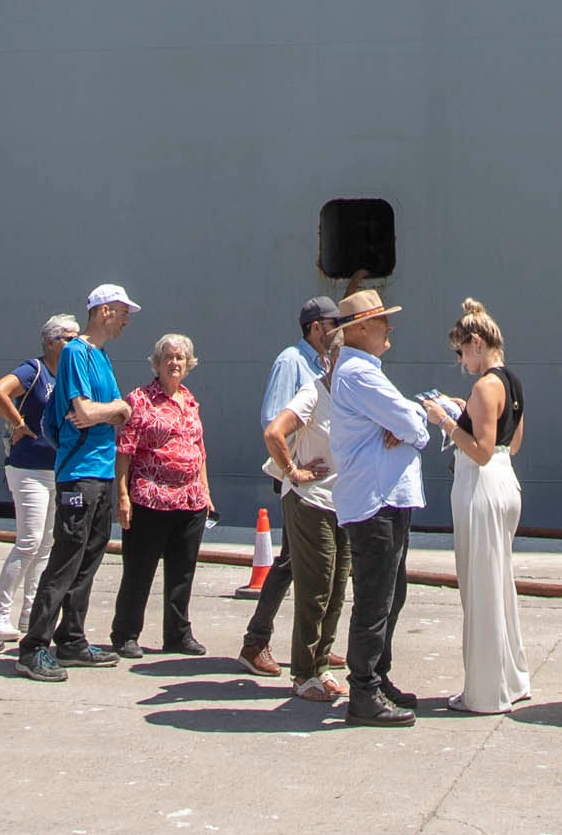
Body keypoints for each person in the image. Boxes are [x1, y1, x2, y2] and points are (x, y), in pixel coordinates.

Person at [315, 287, 432, 724]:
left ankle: (377, 677)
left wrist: (406, 421)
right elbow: (412, 421)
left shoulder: (363, 370)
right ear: (361, 328)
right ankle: (364, 690)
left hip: (385, 498)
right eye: (384, 321)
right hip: (375, 501)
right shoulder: (360, 373)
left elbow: (405, 417)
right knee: (375, 597)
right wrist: (411, 425)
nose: (390, 329)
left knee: (390, 594)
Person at [18, 285, 140, 682]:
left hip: (101, 472)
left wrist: (112, 412)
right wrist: (119, 409)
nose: (126, 320)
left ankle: (71, 639)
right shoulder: (76, 353)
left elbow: (97, 413)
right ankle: (33, 647)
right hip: (80, 473)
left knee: (88, 558)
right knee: (65, 560)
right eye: (123, 312)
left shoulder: (101, 357)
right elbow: (85, 412)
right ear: (104, 311)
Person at [238, 296, 345, 682]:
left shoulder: (322, 364)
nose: (339, 331)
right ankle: (256, 641)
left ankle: (315, 645)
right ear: (317, 327)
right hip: (297, 477)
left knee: (295, 564)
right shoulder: (292, 361)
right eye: (334, 324)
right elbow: (273, 418)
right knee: (289, 564)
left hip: (316, 480)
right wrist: (294, 468)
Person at [446, 299, 528, 712]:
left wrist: (444, 422)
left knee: (480, 588)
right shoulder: (512, 382)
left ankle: (484, 692)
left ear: (476, 343)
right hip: (505, 482)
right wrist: (464, 412)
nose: (461, 363)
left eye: (461, 352)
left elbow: (479, 451)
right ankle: (512, 677)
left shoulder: (483, 386)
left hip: (480, 487)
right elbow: (509, 444)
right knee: (500, 584)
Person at [111, 333, 215, 657]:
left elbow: (199, 449)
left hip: (190, 500)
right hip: (149, 499)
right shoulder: (139, 400)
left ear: (189, 364)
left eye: (180, 358)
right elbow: (124, 451)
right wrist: (123, 497)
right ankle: (126, 634)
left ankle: (178, 634)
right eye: (168, 357)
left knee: (182, 572)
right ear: (156, 363)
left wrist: (206, 491)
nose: (174, 362)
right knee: (139, 571)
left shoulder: (189, 399)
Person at [0, 313, 75, 649]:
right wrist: (18, 422)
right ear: (50, 341)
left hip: (56, 468)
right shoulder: (33, 370)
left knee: (47, 545)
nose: (73, 343)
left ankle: (30, 613)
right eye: (67, 337)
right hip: (28, 469)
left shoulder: (67, 374)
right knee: (29, 541)